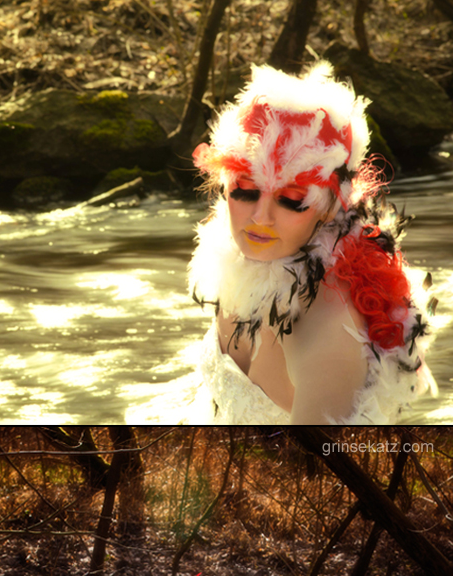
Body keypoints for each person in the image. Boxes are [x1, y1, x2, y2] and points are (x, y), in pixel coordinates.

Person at [131, 62, 435, 424]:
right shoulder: (234, 262)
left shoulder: (333, 328)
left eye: (291, 199)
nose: (260, 218)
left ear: (328, 208)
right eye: (244, 191)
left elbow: (318, 470)